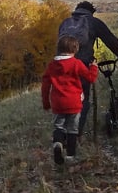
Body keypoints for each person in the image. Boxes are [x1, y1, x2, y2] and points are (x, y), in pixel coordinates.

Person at [58, 1, 118, 137]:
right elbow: (112, 41)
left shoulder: (65, 23)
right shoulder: (93, 22)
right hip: (81, 67)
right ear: (91, 12)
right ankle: (72, 135)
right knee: (82, 100)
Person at [42, 35, 98, 165]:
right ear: (75, 49)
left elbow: (45, 86)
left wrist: (46, 103)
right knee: (72, 129)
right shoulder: (76, 63)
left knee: (59, 127)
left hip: (58, 103)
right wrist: (94, 67)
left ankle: (57, 143)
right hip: (74, 102)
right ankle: (70, 156)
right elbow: (90, 78)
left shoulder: (51, 65)